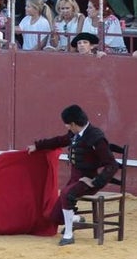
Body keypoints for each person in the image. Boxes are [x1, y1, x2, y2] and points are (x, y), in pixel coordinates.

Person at [28, 104, 119, 246]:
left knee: (66, 194)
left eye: (68, 125)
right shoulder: (75, 133)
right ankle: (75, 218)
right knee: (55, 216)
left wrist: (96, 182)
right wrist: (38, 146)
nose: (67, 128)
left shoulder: (95, 137)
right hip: (75, 179)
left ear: (73, 124)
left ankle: (69, 235)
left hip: (88, 180)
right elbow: (59, 141)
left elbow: (112, 165)